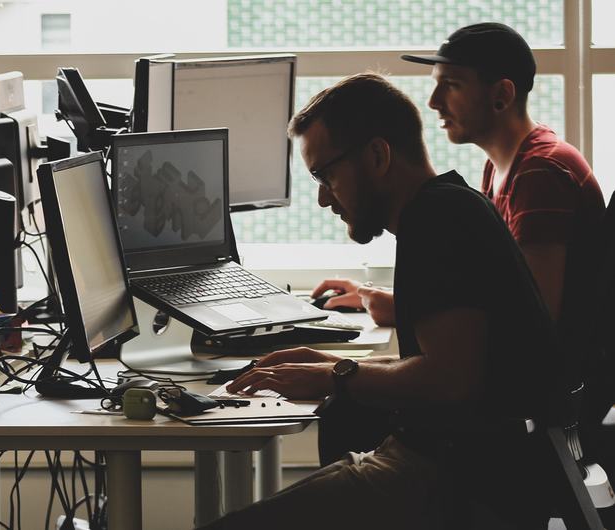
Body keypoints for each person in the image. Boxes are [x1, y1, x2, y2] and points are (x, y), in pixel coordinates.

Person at [200, 73, 563, 529]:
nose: (321, 197)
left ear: (376, 155)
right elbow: (443, 363)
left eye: (325, 174)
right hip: (463, 470)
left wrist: (338, 375)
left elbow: (450, 380)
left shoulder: (438, 220)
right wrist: (327, 363)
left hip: (451, 482)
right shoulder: (451, 205)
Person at [314, 22, 610, 465]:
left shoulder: (540, 174)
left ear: (501, 95)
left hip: (539, 414)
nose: (433, 102)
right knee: (349, 409)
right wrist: (385, 301)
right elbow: (496, 299)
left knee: (346, 411)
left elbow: (535, 317)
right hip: (523, 396)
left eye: (450, 86)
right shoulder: (502, 169)